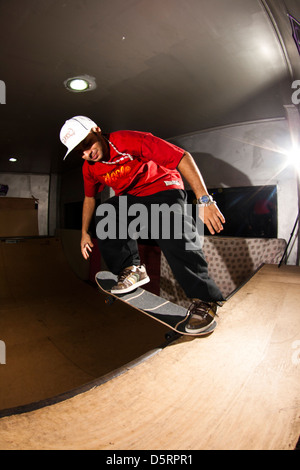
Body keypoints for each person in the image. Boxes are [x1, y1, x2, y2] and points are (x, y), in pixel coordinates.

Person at [60, 115, 226, 334]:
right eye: (79, 151)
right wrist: (84, 233)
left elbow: (182, 157)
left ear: (97, 130)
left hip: (163, 186)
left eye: (87, 144)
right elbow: (90, 198)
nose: (87, 154)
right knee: (107, 212)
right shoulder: (89, 168)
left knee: (169, 230)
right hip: (133, 197)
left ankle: (205, 300)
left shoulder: (128, 140)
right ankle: (131, 269)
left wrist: (204, 199)